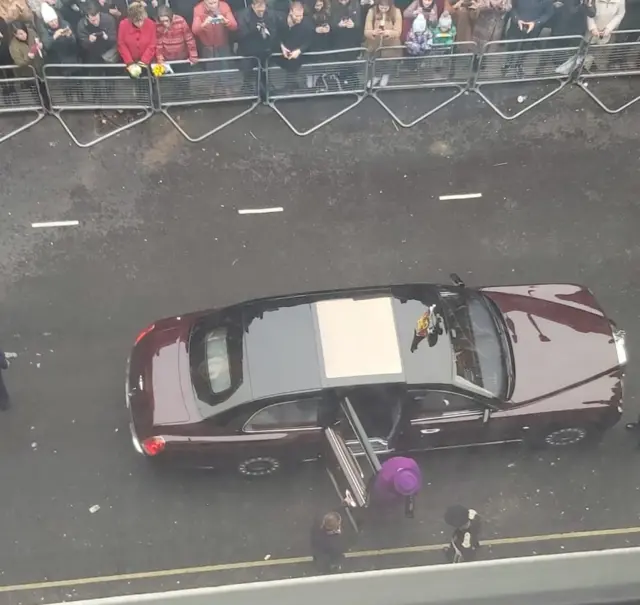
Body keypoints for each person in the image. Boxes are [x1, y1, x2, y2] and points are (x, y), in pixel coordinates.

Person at [277, 0, 314, 81]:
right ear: (291, 12)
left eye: (301, 15)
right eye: (297, 16)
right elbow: (276, 36)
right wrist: (282, 47)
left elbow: (310, 40)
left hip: (298, 59)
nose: (299, 18)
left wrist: (299, 50)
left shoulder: (307, 24)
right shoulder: (280, 20)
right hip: (279, 57)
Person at [117, 2, 156, 72]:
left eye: (141, 20)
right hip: (128, 63)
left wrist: (143, 62)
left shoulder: (151, 24)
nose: (140, 24)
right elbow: (121, 44)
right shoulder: (123, 24)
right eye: (136, 21)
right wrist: (129, 62)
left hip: (147, 63)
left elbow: (152, 44)